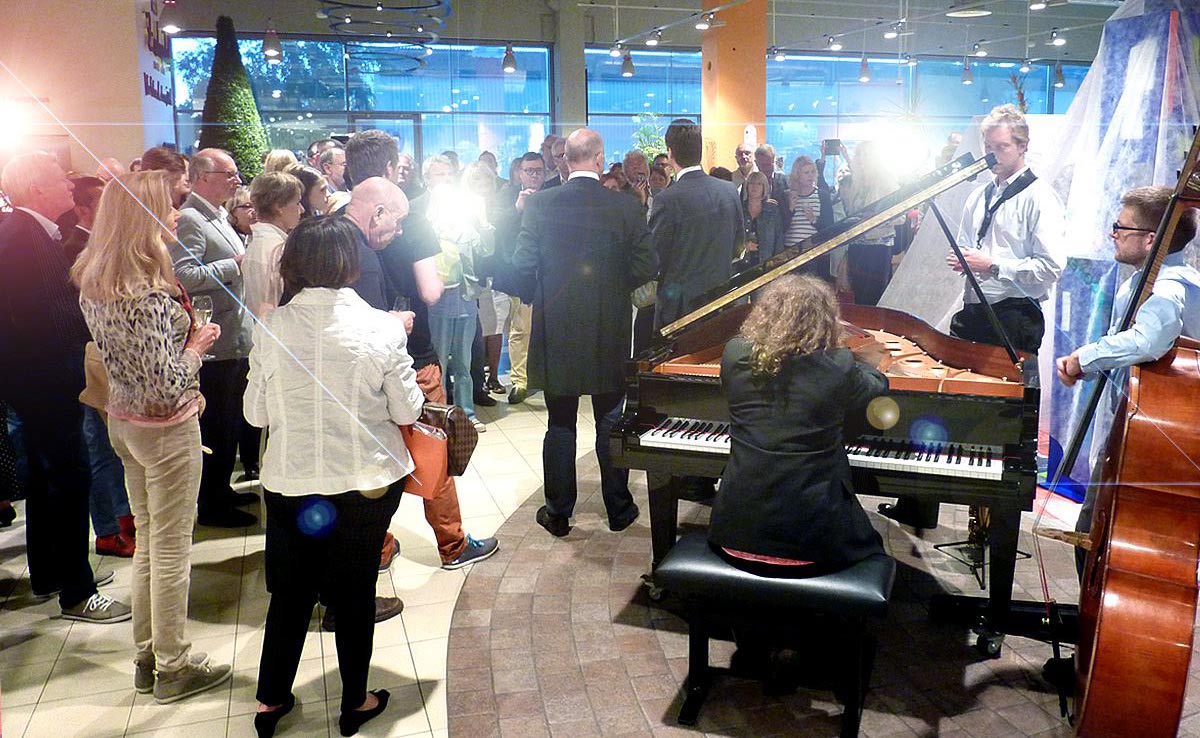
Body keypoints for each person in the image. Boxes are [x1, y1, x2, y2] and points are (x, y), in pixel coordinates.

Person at [246, 216, 426, 738]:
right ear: (351, 263)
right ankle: (356, 701)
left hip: (291, 480)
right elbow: (407, 409)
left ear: (293, 263)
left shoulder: (272, 327)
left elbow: (256, 414)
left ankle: (270, 702)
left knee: (291, 594)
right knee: (353, 593)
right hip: (363, 481)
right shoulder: (381, 327)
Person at [73, 170, 231, 700]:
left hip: (123, 422)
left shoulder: (96, 282)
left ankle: (149, 656)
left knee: (148, 545)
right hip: (166, 430)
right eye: (167, 209)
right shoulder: (150, 294)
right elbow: (166, 384)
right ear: (141, 219)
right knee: (169, 552)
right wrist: (199, 346)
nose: (174, 217)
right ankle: (174, 666)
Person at [342, 132, 500, 577]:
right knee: (433, 446)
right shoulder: (409, 218)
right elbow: (430, 290)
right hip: (413, 352)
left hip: (353, 356)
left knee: (370, 453)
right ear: (392, 169)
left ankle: (378, 544)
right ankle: (452, 545)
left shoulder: (336, 219)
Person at [0, 151, 129, 621]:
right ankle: (78, 590)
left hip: (31, 378)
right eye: (58, 180)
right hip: (46, 378)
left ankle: (50, 571)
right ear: (36, 189)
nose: (67, 188)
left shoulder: (21, 230)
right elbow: (45, 317)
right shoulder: (26, 234)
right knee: (70, 476)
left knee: (45, 476)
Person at [512, 128, 656, 537]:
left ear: (565, 160)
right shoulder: (625, 207)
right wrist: (613, 286)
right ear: (598, 159)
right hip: (608, 326)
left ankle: (558, 512)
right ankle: (619, 510)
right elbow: (648, 264)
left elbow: (523, 263)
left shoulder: (539, 205)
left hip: (555, 326)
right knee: (610, 418)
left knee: (560, 422)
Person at [1056, 187, 1200, 575]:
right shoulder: (1170, 282)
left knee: (1095, 536)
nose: (1113, 233)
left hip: (1146, 438)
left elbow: (1150, 339)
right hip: (1150, 432)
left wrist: (1082, 358)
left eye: (1122, 226)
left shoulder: (1168, 286)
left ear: (1151, 239)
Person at [709, 274, 887, 569]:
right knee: (876, 549)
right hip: (814, 538)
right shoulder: (838, 366)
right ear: (826, 321)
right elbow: (877, 385)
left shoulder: (734, 354)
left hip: (735, 530)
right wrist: (864, 358)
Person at [173, 148, 257, 528]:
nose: (236, 181)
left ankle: (222, 491)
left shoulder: (218, 216)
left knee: (229, 422)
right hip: (213, 341)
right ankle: (211, 503)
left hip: (231, 335)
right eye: (229, 174)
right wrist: (233, 265)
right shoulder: (190, 218)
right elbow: (185, 274)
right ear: (203, 177)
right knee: (217, 425)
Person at [947, 104, 1064, 358]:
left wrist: (992, 265)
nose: (992, 155)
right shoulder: (978, 196)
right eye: (988, 147)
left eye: (1002, 147)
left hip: (1015, 316)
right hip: (973, 309)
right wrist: (964, 260)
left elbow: (1051, 267)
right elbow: (966, 246)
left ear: (1023, 146)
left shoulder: (1040, 197)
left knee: (1008, 395)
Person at [650, 118, 744, 329]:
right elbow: (738, 246)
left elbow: (655, 258)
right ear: (699, 150)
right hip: (722, 302)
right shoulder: (729, 191)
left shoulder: (667, 199)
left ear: (670, 152)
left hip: (680, 311)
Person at [493, 152, 548, 405]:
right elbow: (497, 227)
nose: (534, 175)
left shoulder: (553, 195)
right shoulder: (508, 196)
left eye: (538, 170)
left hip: (549, 274)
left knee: (547, 329)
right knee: (520, 329)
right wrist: (518, 208)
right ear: (519, 173)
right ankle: (519, 381)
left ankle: (545, 376)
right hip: (519, 274)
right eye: (529, 170)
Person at [837, 141, 899, 306]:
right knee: (858, 295)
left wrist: (876, 217)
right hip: (858, 245)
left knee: (874, 296)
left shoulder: (887, 183)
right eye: (859, 156)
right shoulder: (856, 184)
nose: (861, 161)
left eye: (864, 156)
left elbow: (901, 217)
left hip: (879, 247)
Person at [243, 171, 304, 321]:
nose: (301, 210)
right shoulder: (275, 249)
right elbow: (269, 306)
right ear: (279, 207)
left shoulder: (263, 242)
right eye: (297, 203)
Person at [741, 171, 786, 265]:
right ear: (746, 186)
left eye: (759, 184)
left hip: (766, 263)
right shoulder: (739, 209)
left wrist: (778, 263)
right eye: (751, 183)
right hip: (741, 264)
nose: (755, 187)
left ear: (764, 187)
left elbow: (778, 239)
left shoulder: (773, 210)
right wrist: (743, 246)